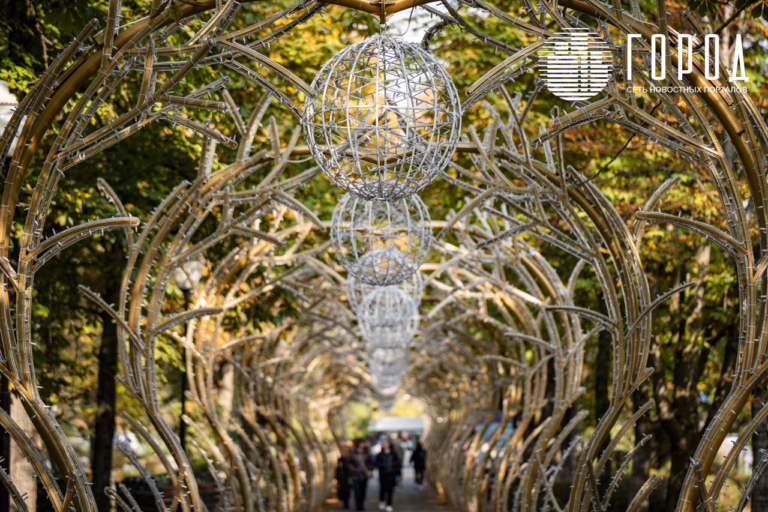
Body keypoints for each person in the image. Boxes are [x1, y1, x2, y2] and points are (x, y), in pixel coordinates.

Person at [375, 439, 401, 512]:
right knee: (382, 488)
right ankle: (382, 500)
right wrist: (382, 466)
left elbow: (398, 463)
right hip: (383, 474)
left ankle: (389, 504)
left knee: (390, 489)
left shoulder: (394, 454)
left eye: (386, 443)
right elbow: (376, 463)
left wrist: (394, 469)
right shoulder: (380, 454)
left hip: (391, 474)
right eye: (384, 444)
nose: (385, 445)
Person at [349, 441, 371, 511]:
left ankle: (361, 504)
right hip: (356, 476)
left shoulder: (367, 452)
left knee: (363, 491)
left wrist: (369, 469)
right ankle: (358, 505)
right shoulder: (353, 453)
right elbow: (349, 464)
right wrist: (356, 470)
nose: (362, 444)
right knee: (357, 491)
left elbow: (370, 462)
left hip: (364, 475)